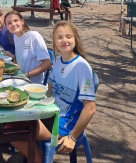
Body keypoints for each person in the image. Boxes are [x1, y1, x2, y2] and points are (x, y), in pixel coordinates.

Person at [5, 21, 96, 163]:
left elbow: (90, 108)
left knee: (14, 133)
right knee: (9, 126)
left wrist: (72, 137)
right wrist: (35, 103)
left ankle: (38, 159)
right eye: (59, 37)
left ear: (75, 39)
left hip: (64, 122)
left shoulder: (81, 66)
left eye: (68, 36)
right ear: (54, 41)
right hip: (49, 111)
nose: (64, 40)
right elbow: (50, 89)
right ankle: (35, 157)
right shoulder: (58, 60)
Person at [4, 10, 51, 84]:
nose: (13, 24)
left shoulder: (34, 36)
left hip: (34, 84)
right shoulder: (16, 37)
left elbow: (47, 64)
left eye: (15, 20)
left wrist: (25, 76)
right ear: (6, 27)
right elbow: (26, 59)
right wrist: (14, 57)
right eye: (9, 23)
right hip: (20, 79)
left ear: (22, 21)